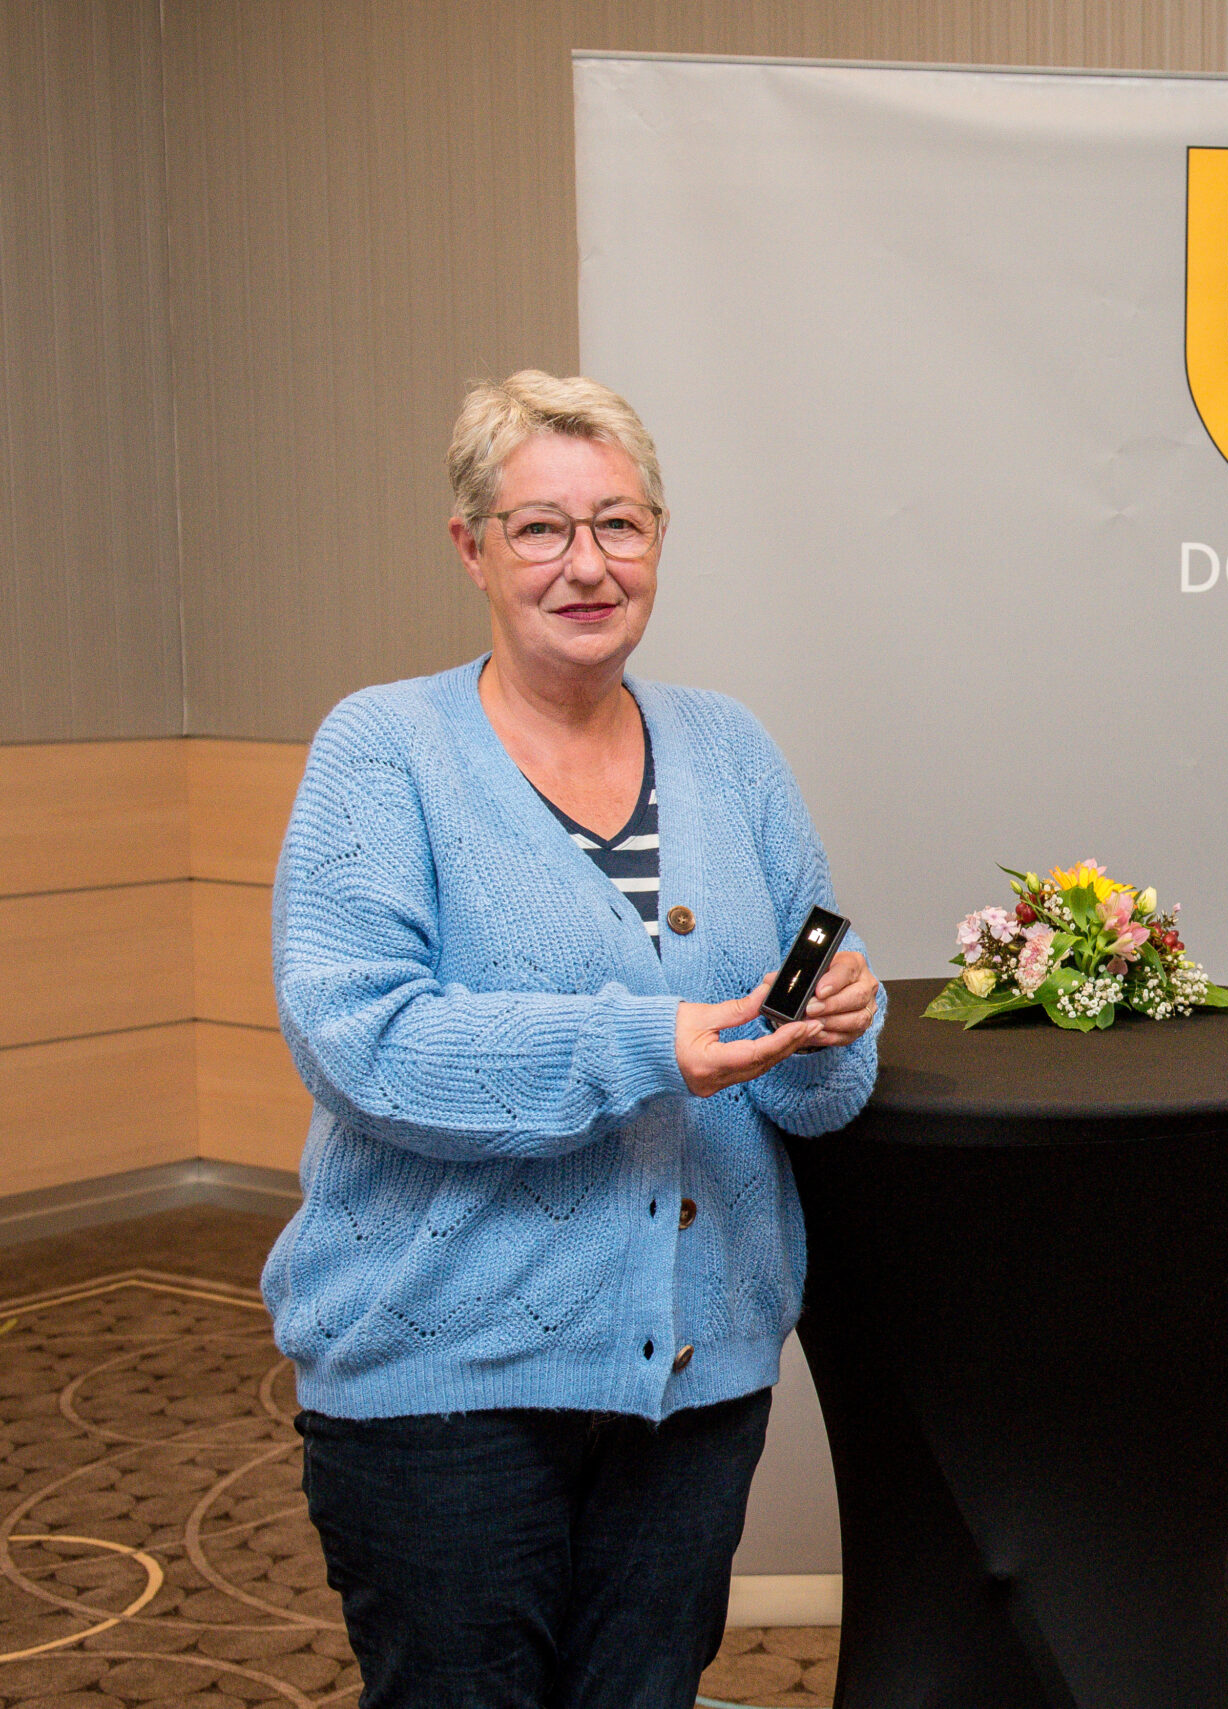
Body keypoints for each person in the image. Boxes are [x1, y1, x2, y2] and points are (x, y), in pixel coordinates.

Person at [264, 370, 884, 1708]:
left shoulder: (730, 749)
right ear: (472, 547)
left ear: (658, 538)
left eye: (619, 523)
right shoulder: (385, 749)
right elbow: (362, 1040)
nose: (586, 564)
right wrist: (651, 1043)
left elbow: (812, 1088)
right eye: (540, 527)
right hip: (440, 1377)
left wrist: (837, 1025)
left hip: (698, 1379)